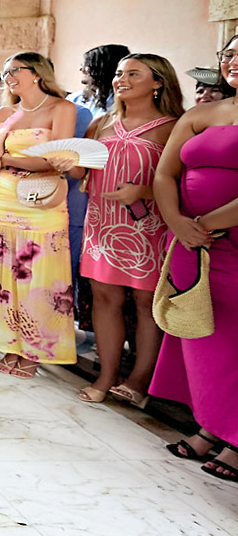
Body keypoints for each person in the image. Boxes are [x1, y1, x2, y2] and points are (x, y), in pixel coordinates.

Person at [62, 55, 183, 404]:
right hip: (101, 224)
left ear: (158, 82)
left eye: (133, 73)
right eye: (119, 73)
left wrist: (142, 191)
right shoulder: (102, 123)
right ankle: (106, 375)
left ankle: (140, 380)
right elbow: (79, 174)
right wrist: (67, 164)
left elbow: (182, 179)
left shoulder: (173, 125)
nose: (121, 79)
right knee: (105, 298)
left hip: (151, 226)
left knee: (147, 303)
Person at [150, 33, 238, 482]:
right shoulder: (201, 114)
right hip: (189, 238)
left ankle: (236, 440)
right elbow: (166, 172)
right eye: (230, 53)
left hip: (228, 239)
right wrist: (178, 222)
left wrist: (206, 222)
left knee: (234, 339)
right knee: (199, 328)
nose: (234, 61)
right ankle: (209, 425)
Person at [0, 52, 78, 379]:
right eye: (6, 72)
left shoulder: (61, 108)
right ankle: (9, 343)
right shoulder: (3, 113)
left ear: (37, 73)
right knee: (3, 273)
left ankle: (36, 347)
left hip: (42, 199)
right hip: (2, 198)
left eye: (16, 70)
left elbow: (57, 158)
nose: (9, 76)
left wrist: (6, 158)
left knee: (40, 272)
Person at [72, 44, 130, 117]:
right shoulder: (76, 98)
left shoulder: (124, 103)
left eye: (87, 64)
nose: (81, 69)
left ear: (102, 68)